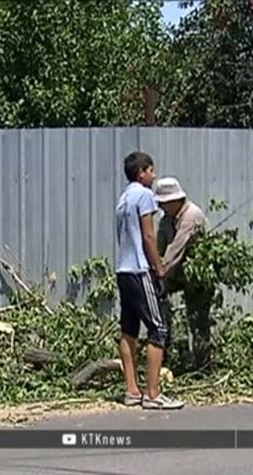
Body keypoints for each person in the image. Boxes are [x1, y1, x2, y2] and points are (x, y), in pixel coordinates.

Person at [115, 151, 185, 410]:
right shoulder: (143, 196)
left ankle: (132, 390)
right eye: (151, 171)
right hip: (139, 270)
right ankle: (153, 394)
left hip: (123, 271)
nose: (153, 177)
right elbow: (148, 237)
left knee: (128, 331)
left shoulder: (123, 199)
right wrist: (159, 266)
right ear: (142, 172)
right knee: (158, 329)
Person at [155, 177, 213, 369]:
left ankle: (202, 364)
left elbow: (176, 249)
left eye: (164, 204)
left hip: (197, 275)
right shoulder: (166, 221)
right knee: (157, 298)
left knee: (197, 318)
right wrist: (153, 268)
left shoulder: (191, 216)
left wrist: (160, 269)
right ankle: (164, 350)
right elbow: (159, 248)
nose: (162, 207)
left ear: (175, 201)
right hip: (177, 273)